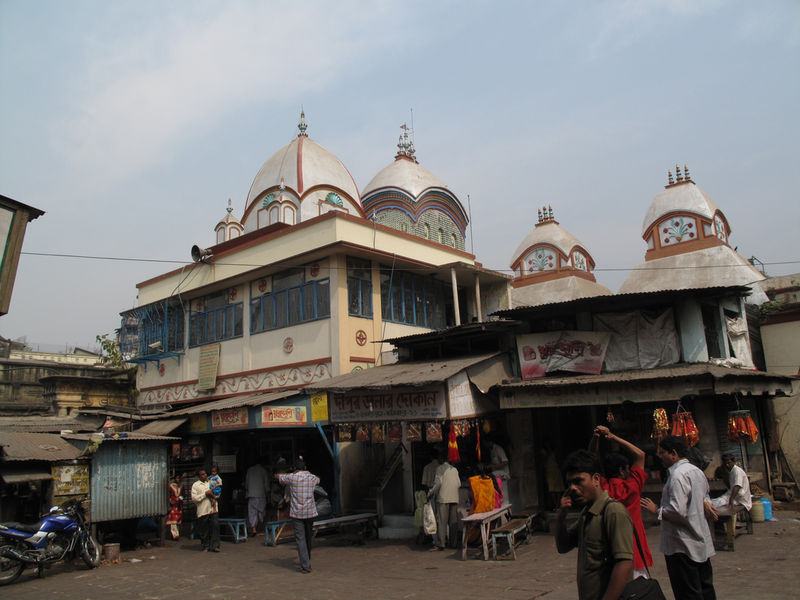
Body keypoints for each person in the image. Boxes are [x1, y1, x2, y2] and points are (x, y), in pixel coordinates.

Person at [642, 436, 717, 600]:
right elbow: (705, 496)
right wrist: (704, 504)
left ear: (673, 454)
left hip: (682, 544)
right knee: (705, 588)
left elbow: (677, 511)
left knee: (688, 592)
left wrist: (657, 510)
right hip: (699, 540)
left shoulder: (678, 476)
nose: (659, 456)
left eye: (662, 453)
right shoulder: (696, 472)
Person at [555, 449, 633, 600]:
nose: (573, 488)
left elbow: (624, 564)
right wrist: (561, 516)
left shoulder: (613, 512)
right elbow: (563, 546)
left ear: (596, 479)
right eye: (570, 483)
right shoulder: (587, 514)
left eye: (578, 481)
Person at [594, 425, 654, 579]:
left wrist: (596, 439)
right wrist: (613, 437)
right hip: (634, 548)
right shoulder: (632, 487)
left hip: (610, 549)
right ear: (622, 470)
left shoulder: (601, 488)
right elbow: (640, 454)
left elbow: (590, 461)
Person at [276, 457, 320, 573]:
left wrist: (289, 472)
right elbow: (318, 480)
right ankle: (307, 558)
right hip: (310, 513)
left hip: (297, 514)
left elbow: (278, 477)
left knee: (300, 539)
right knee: (308, 537)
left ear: (295, 469)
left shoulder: (292, 477)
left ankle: (306, 565)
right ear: (305, 467)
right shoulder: (312, 478)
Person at [427, 448, 460, 551]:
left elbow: (438, 483)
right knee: (453, 522)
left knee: (442, 522)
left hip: (443, 498)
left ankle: (441, 543)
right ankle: (453, 543)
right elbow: (458, 483)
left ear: (441, 459)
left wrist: (430, 493)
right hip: (454, 498)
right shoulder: (454, 469)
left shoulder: (440, 469)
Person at [466, 463, 501, 544]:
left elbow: (474, 497)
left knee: (473, 524)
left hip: (479, 508)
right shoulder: (489, 480)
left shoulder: (474, 481)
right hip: (489, 507)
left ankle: (476, 540)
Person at [191, 469, 220, 552]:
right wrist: (205, 494)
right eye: (202, 474)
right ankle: (205, 546)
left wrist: (214, 496)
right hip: (203, 510)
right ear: (199, 476)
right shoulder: (196, 485)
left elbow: (218, 493)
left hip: (213, 508)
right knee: (204, 529)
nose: (204, 476)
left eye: (205, 474)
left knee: (215, 526)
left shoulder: (212, 482)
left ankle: (215, 546)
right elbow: (194, 499)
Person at [245, 459, 270, 536]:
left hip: (251, 495)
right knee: (261, 512)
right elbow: (266, 484)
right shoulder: (263, 470)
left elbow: (246, 483)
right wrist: (268, 492)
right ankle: (260, 529)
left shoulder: (249, 470)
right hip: (261, 495)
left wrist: (248, 491)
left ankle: (254, 529)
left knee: (252, 513)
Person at [167, 474, 183, 540]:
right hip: (173, 505)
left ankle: (177, 534)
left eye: (179, 478)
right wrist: (171, 501)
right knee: (173, 521)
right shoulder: (171, 486)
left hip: (179, 505)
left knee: (178, 521)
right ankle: (175, 535)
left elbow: (183, 495)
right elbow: (168, 495)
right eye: (176, 478)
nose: (177, 480)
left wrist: (180, 499)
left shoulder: (181, 486)